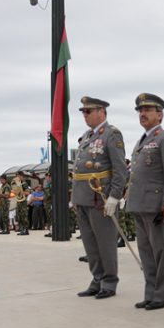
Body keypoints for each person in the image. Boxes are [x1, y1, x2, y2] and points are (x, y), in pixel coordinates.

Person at [71, 96, 128, 300]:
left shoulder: (111, 134)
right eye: (83, 112)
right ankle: (97, 279)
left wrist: (114, 196)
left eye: (89, 111)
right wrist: (74, 196)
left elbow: (120, 169)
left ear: (101, 112)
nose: (85, 115)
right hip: (83, 198)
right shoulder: (87, 136)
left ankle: (109, 281)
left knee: (105, 242)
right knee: (90, 243)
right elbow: (78, 170)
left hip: (100, 198)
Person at [127, 93, 164, 310]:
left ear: (160, 114)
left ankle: (163, 294)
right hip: (139, 204)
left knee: (161, 251)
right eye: (140, 110)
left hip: (156, 205)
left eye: (148, 110)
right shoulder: (142, 141)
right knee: (146, 252)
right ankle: (151, 292)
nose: (143, 114)